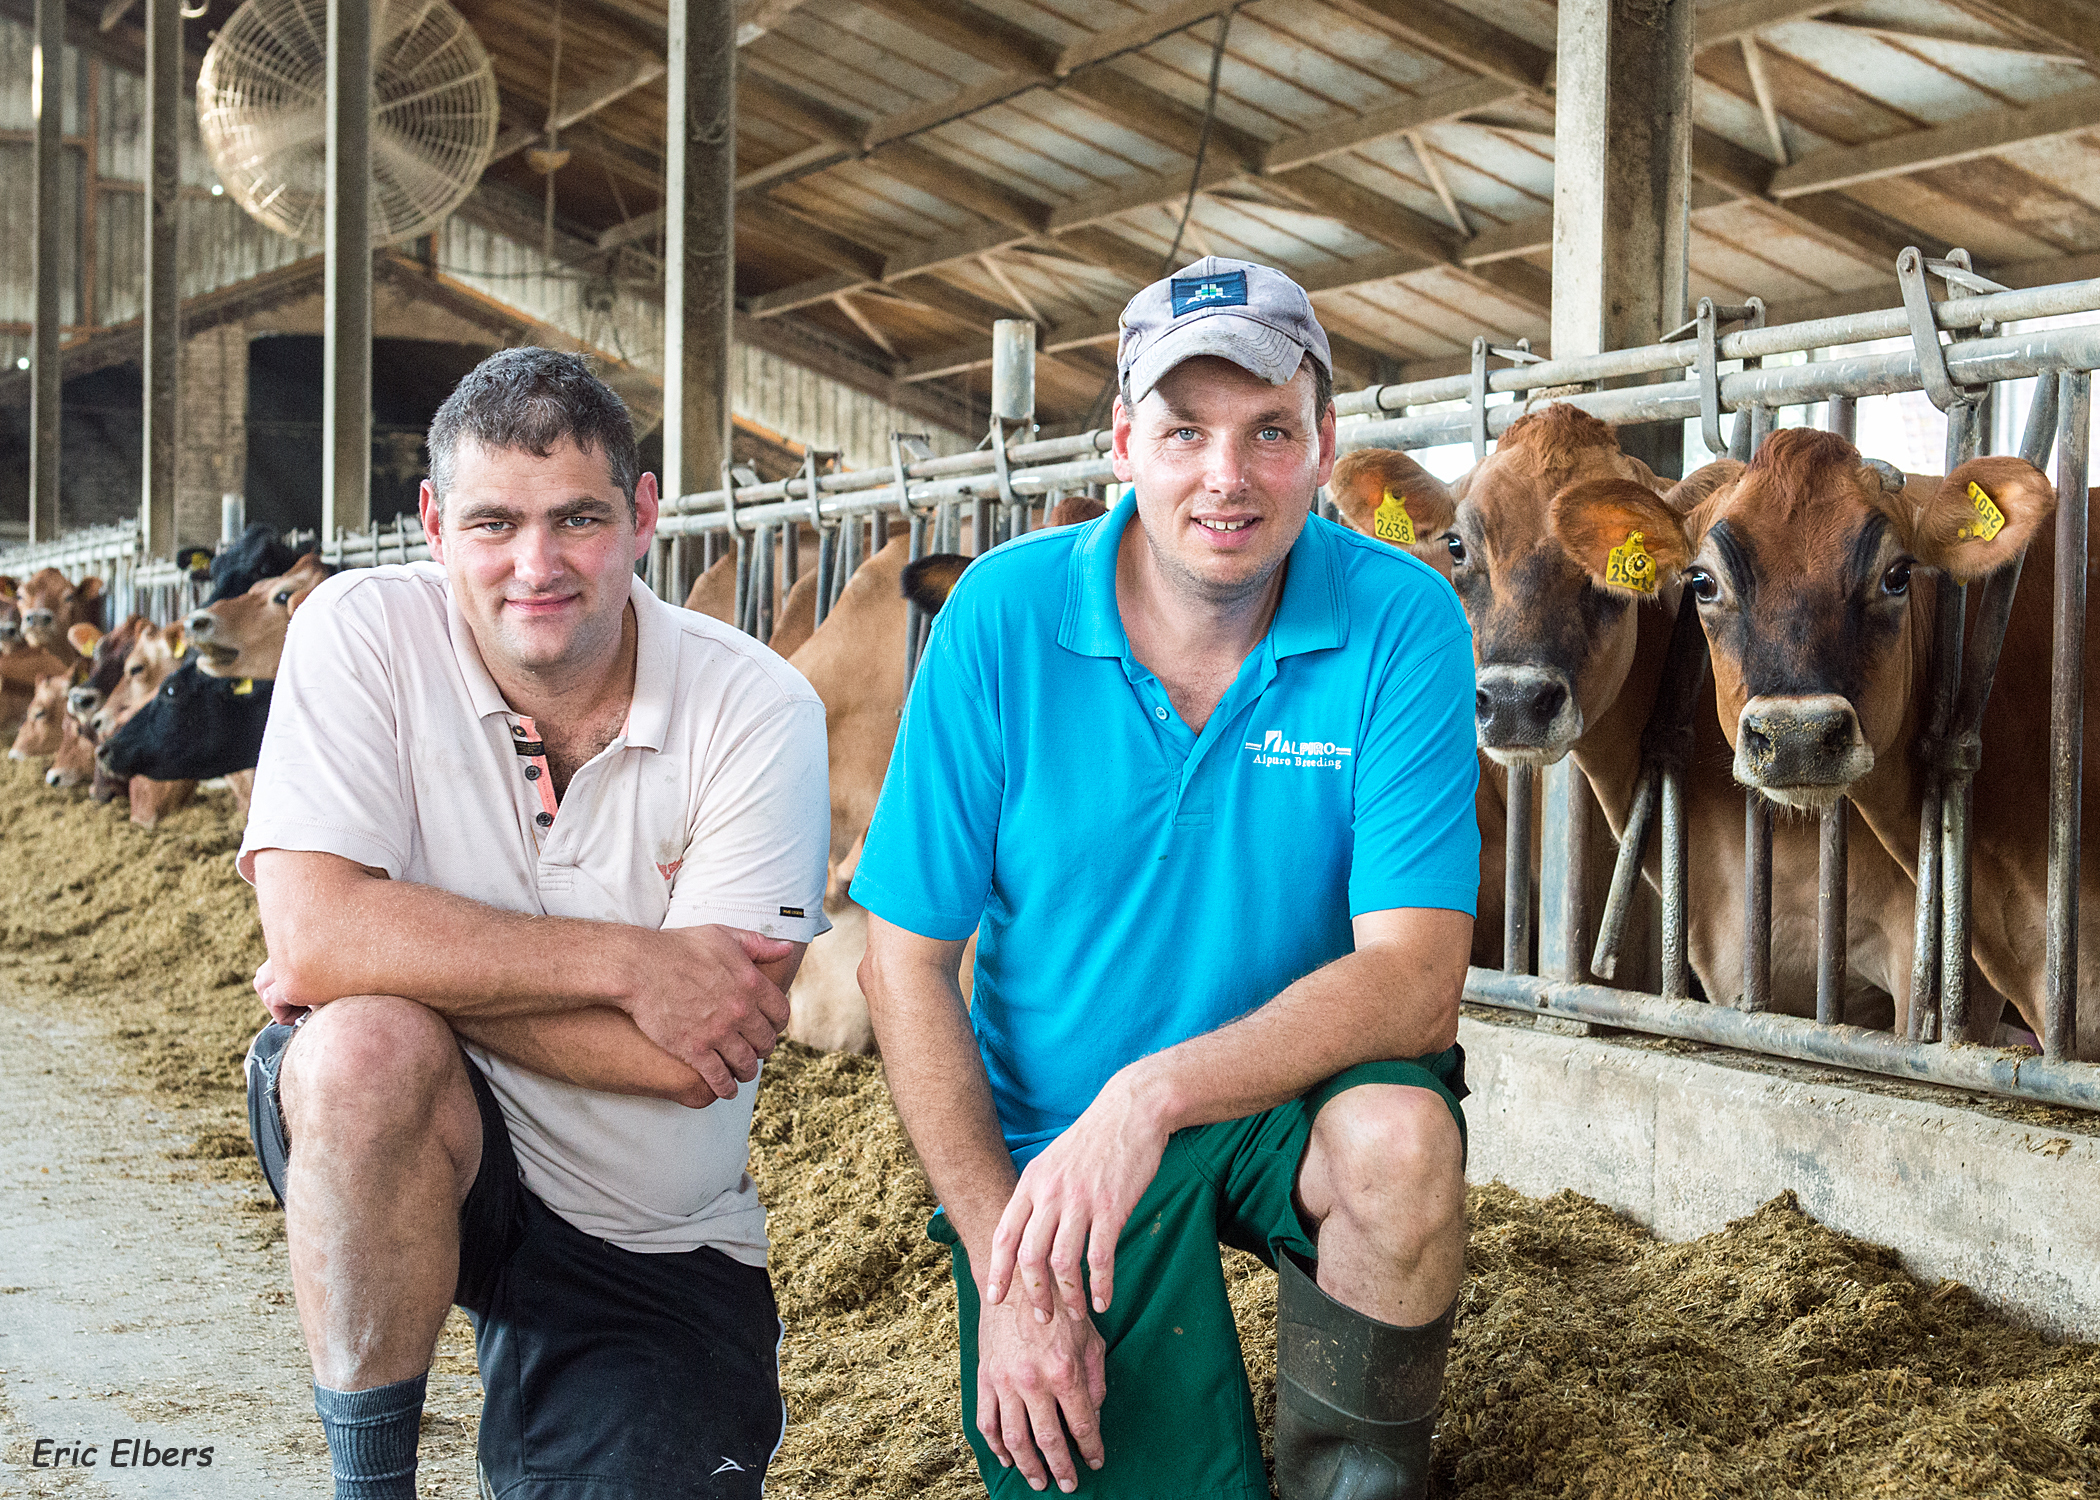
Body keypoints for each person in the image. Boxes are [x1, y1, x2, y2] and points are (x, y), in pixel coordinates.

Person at [853, 257, 1478, 1500]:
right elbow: (903, 959)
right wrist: (1001, 1263)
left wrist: (1149, 1099)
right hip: (1053, 1149)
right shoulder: (1002, 617)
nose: (1225, 477)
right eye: (1185, 432)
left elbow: (1417, 985)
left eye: (1268, 433)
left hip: (1275, 1094)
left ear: (1324, 447)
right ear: (1124, 444)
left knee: (1401, 1142)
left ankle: (1353, 1479)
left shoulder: (1406, 619)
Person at [238, 348, 830, 1500]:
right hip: (416, 1127)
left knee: (371, 1012)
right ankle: (372, 1486)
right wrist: (626, 961)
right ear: (432, 522)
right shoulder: (357, 631)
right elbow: (313, 937)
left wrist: (392, 955)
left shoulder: (759, 706)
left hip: (647, 1228)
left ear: (646, 513)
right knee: (361, 1049)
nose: (536, 565)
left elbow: (691, 1060)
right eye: (494, 522)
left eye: (579, 518)